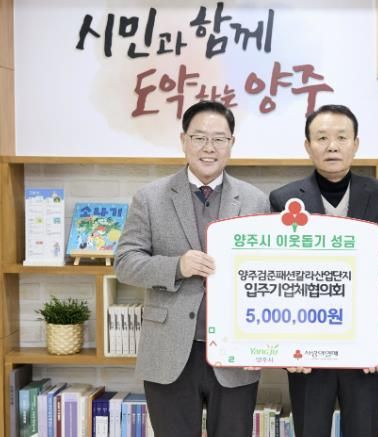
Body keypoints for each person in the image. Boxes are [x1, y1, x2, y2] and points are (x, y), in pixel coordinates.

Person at [115, 101, 270, 437]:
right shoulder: (150, 198)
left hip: (234, 351)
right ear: (183, 140)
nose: (209, 148)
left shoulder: (256, 200)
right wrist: (176, 266)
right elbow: (125, 263)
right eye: (199, 137)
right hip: (169, 351)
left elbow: (267, 274)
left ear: (232, 143)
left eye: (219, 139)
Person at [269, 104, 378, 437]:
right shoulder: (283, 199)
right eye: (322, 138)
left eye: (342, 137)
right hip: (307, 351)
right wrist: (284, 344)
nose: (332, 146)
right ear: (307, 145)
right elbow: (274, 277)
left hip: (365, 346)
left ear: (356, 144)